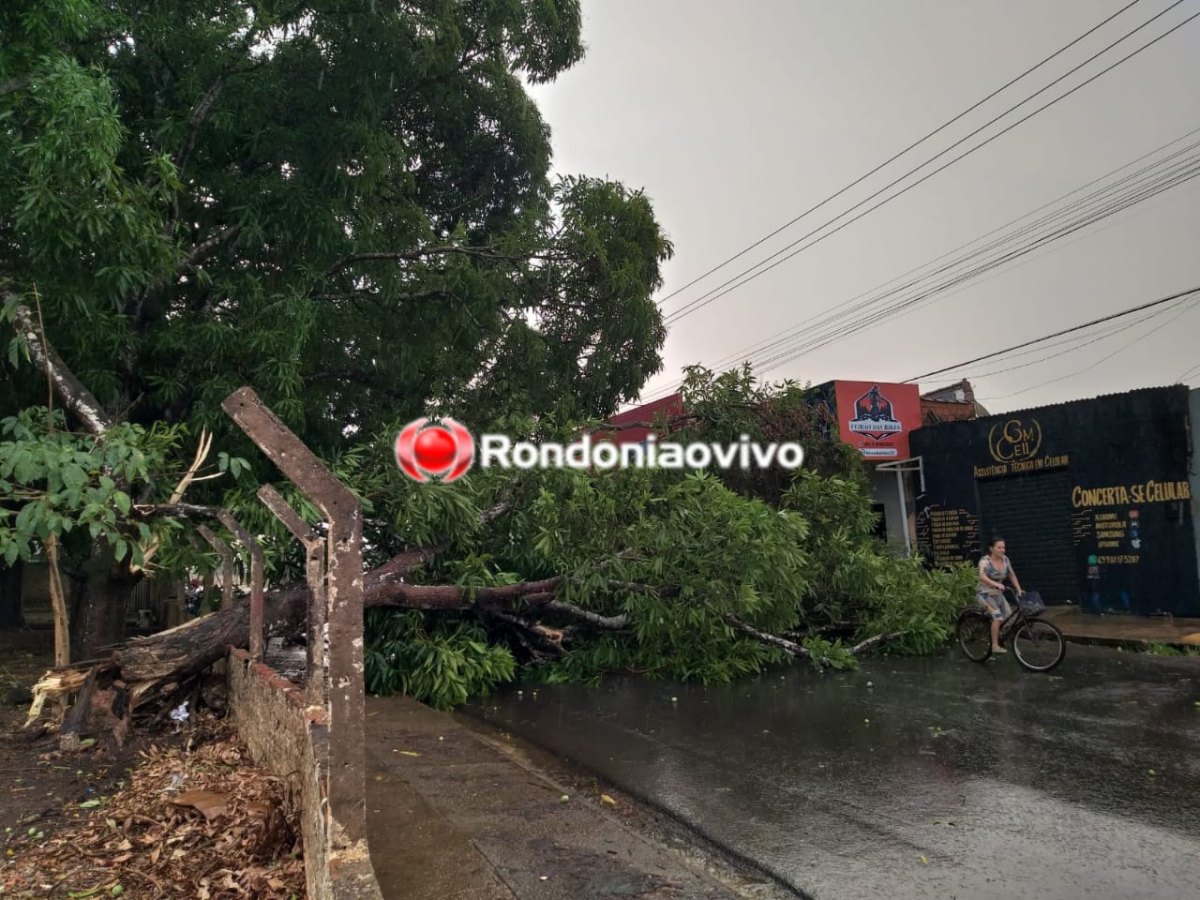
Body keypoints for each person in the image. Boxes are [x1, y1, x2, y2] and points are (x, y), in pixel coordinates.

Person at [977, 536, 1024, 653]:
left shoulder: (1005, 560)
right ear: (991, 548)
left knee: (1008, 616)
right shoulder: (985, 561)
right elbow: (982, 576)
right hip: (985, 594)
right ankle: (994, 646)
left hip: (998, 594)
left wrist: (1019, 589)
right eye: (999, 547)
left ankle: (995, 633)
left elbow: (1011, 574)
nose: (1002, 550)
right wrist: (995, 584)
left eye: (1003, 547)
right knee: (997, 616)